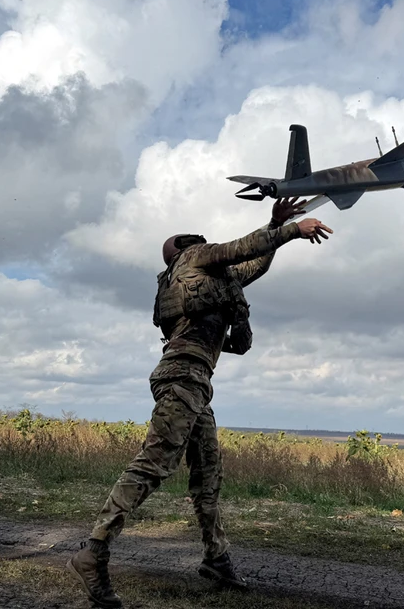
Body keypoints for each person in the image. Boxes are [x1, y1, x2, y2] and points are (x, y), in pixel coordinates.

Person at [66, 197, 333, 608]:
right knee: (154, 464)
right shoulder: (194, 258)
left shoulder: (211, 280)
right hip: (182, 379)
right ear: (182, 253)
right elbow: (241, 249)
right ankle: (93, 550)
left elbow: (253, 262)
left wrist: (274, 227)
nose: (199, 242)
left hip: (195, 384)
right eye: (190, 242)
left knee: (208, 476)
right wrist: (292, 230)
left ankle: (216, 559)